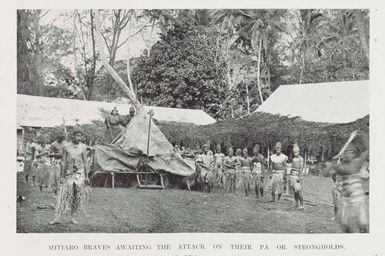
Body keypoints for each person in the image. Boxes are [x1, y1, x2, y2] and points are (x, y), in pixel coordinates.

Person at [323, 131, 369, 233]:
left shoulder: (357, 163)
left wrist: (363, 136)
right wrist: (331, 163)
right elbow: (325, 174)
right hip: (347, 201)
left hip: (358, 200)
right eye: (347, 151)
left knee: (363, 226)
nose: (349, 154)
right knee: (346, 227)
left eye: (351, 152)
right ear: (343, 154)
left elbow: (367, 151)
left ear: (354, 154)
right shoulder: (340, 167)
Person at [50, 128, 91, 225]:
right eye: (76, 136)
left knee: (76, 196)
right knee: (64, 195)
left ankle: (72, 216)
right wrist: (62, 175)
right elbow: (63, 161)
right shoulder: (66, 147)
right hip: (68, 173)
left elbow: (85, 162)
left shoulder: (83, 147)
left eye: (80, 136)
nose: (78, 138)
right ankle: (57, 217)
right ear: (72, 136)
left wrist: (86, 176)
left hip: (79, 174)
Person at [50, 130, 69, 194]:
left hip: (65, 161)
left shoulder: (66, 143)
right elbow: (50, 154)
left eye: (62, 138)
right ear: (57, 137)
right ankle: (56, 191)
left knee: (64, 176)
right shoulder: (53, 144)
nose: (61, 139)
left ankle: (64, 190)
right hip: (57, 161)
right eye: (60, 138)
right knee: (56, 176)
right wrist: (58, 155)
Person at [289, 143, 304, 209]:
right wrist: (290, 175)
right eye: (294, 152)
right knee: (294, 191)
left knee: (298, 190)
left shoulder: (301, 159)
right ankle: (296, 203)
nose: (295, 153)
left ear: (299, 152)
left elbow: (301, 168)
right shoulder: (293, 159)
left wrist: (299, 177)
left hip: (298, 176)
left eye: (296, 152)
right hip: (293, 176)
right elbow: (292, 168)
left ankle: (301, 204)